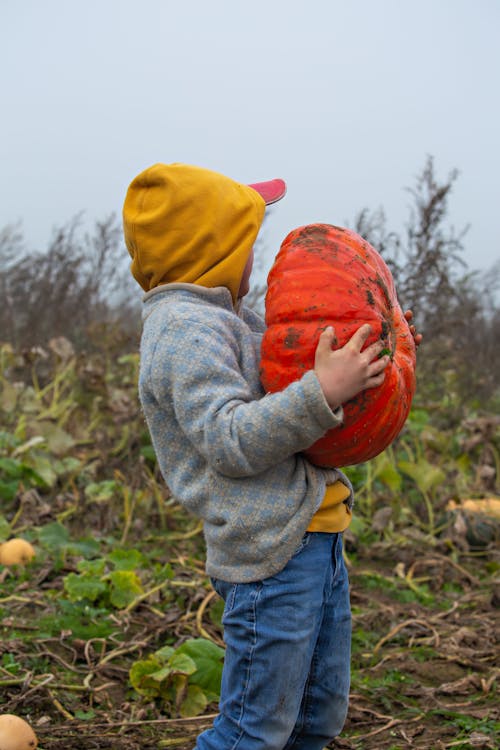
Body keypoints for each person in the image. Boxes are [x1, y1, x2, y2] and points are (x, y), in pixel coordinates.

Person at [122, 163, 421, 749]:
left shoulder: (222, 316)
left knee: (315, 717)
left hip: (312, 538)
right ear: (213, 248)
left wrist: (381, 336)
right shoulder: (184, 331)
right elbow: (228, 440)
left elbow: (286, 358)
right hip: (270, 555)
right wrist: (321, 393)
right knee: (252, 731)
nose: (256, 257)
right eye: (249, 242)